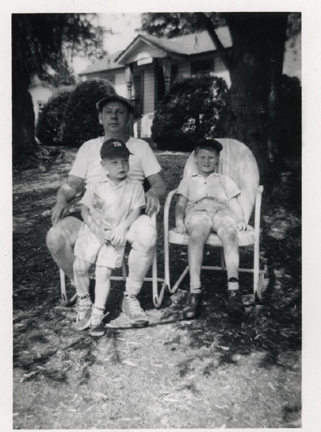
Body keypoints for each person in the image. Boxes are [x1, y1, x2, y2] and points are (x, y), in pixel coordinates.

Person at [46, 94, 166, 328]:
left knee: (148, 235)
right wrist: (61, 198)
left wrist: (152, 193)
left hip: (129, 211)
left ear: (129, 118)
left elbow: (159, 183)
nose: (113, 116)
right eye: (108, 112)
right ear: (100, 118)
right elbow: (73, 184)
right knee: (55, 238)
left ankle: (130, 296)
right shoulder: (89, 147)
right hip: (93, 211)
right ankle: (83, 293)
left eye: (120, 112)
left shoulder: (140, 147)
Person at [73, 138, 145, 337]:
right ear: (103, 165)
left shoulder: (135, 186)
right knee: (80, 266)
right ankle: (85, 300)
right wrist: (95, 229)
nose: (121, 166)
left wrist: (122, 227)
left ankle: (97, 312)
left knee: (103, 272)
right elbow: (86, 210)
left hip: (115, 233)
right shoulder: (97, 185)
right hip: (94, 230)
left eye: (124, 161)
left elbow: (135, 211)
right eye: (114, 162)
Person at [174, 138, 252, 319]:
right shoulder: (188, 180)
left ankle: (233, 290)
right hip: (197, 211)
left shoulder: (224, 180)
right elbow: (180, 203)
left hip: (222, 211)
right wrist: (179, 221)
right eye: (203, 157)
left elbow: (234, 202)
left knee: (230, 232)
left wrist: (240, 219)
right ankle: (194, 291)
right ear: (195, 158)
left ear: (217, 159)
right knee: (196, 234)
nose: (207, 161)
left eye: (211, 157)